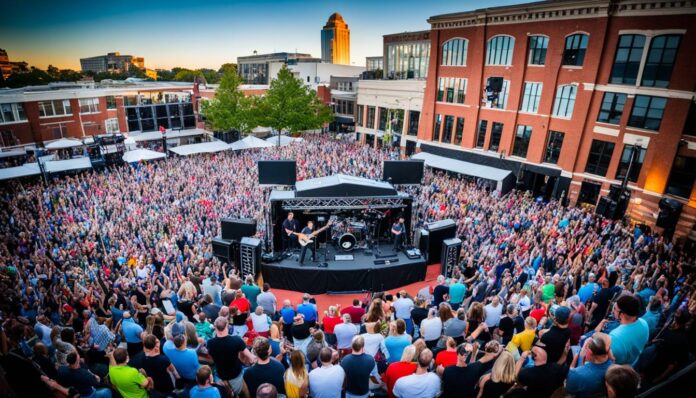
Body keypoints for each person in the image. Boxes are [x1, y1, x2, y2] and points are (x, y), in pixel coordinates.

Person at [206, 317, 254, 397]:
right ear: (227, 326)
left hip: (220, 375)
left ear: (215, 327)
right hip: (235, 375)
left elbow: (211, 359)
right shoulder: (237, 340)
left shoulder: (210, 343)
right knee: (245, 391)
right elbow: (251, 358)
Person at [600, 295, 649, 365]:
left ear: (621, 314)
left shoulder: (614, 337)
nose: (613, 311)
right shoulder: (644, 324)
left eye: (615, 309)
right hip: (633, 363)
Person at [566, 333, 613, 398]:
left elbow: (569, 390)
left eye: (585, 348)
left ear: (590, 352)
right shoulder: (613, 365)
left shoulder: (576, 374)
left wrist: (572, 366)